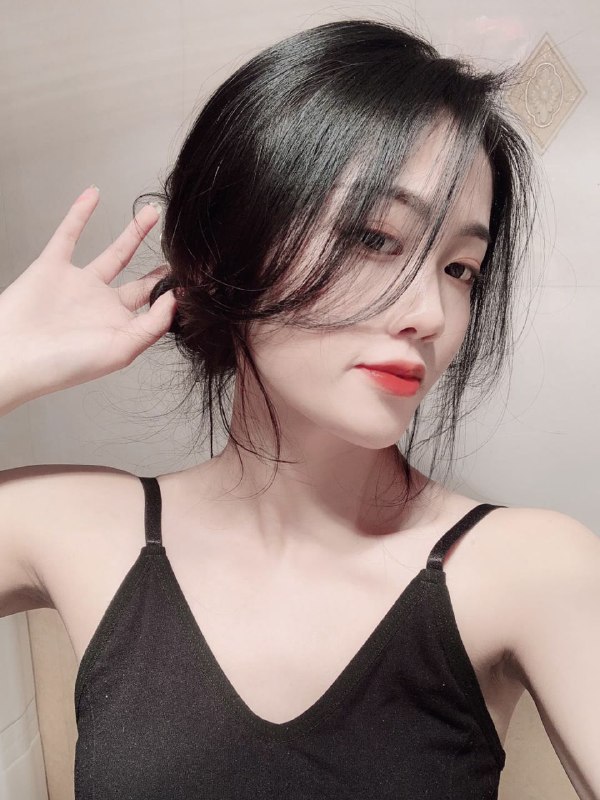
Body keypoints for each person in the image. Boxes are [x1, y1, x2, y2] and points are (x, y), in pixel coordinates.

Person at [0, 18, 598, 800]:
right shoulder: (78, 529)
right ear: (229, 246)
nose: (430, 314)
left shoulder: (529, 567)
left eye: (461, 268)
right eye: (375, 239)